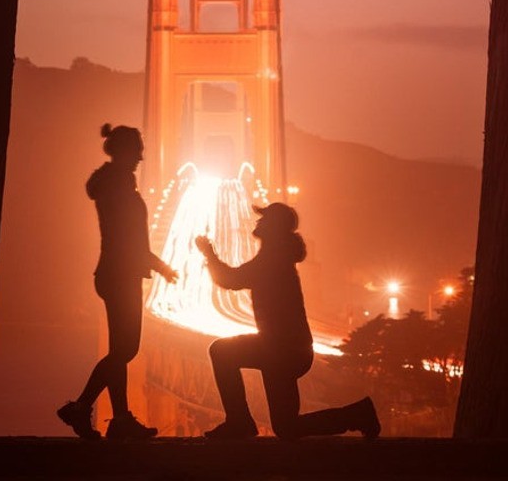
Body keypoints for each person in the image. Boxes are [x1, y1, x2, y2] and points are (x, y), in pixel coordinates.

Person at [195, 202, 380, 440]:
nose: (258, 222)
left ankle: (239, 422)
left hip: (281, 351)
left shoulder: (271, 261)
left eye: (264, 219)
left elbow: (230, 280)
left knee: (221, 352)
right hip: (283, 349)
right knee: (287, 427)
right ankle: (358, 414)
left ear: (273, 227)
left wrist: (209, 254)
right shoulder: (276, 258)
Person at [57, 124, 178, 440]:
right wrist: (161, 266)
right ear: (124, 152)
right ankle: (81, 407)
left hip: (114, 272)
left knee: (119, 351)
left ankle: (120, 418)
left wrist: (156, 265)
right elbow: (130, 240)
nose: (141, 155)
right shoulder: (118, 188)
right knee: (125, 350)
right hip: (120, 274)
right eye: (137, 148)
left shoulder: (115, 184)